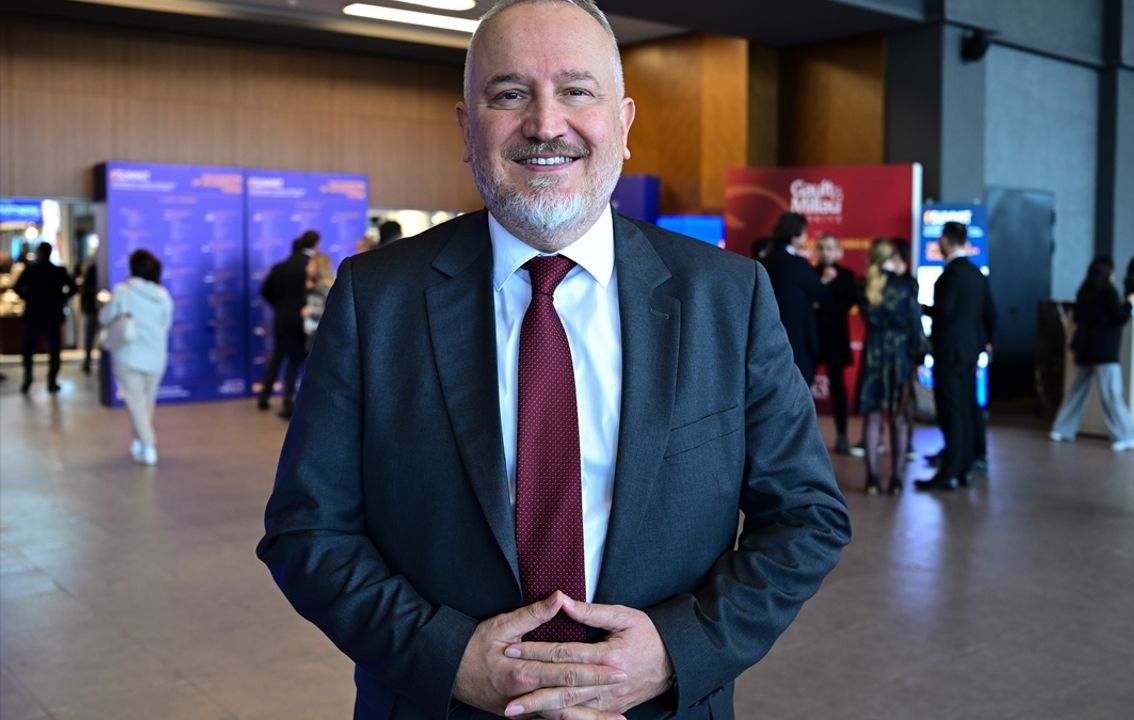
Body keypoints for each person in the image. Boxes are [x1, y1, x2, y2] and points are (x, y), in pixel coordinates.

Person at [256, 2, 851, 719]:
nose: (544, 123)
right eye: (510, 94)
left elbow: (807, 517)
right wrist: (445, 658)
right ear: (467, 127)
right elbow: (307, 529)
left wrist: (678, 649)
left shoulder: (728, 297)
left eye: (576, 90)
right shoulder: (375, 299)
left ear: (623, 124)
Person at [916, 222, 996, 492]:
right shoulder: (976, 274)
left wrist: (923, 308)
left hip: (949, 352)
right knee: (966, 408)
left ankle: (950, 471)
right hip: (970, 352)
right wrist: (987, 343)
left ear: (946, 240)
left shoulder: (949, 276)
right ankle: (964, 466)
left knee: (951, 411)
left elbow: (945, 312)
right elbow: (990, 313)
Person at [1047, 256, 1134, 451]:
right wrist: (1130, 304)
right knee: (1111, 394)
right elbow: (1120, 317)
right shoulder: (1109, 292)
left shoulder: (1084, 291)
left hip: (1085, 348)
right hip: (1105, 351)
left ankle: (1062, 429)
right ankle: (1125, 435)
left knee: (1076, 392)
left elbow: (1078, 316)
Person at [855, 239, 924, 495]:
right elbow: (915, 324)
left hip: (873, 354)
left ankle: (871, 479)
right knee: (899, 419)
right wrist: (919, 356)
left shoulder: (864, 285)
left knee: (872, 419)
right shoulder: (906, 285)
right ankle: (896, 480)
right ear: (892, 258)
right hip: (899, 355)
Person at [99, 249, 173, 466]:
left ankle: (148, 444)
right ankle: (139, 441)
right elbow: (167, 323)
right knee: (146, 403)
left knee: (135, 402)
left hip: (128, 354)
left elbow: (105, 318)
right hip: (156, 355)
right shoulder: (162, 294)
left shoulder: (123, 291)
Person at [762, 211, 832, 387]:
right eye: (805, 232)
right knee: (799, 390)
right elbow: (823, 295)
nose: (806, 237)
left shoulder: (763, 262)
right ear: (795, 235)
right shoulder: (798, 264)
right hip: (798, 340)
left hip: (767, 339)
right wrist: (824, 281)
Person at [257, 230, 318, 419]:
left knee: (277, 358)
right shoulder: (310, 266)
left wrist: (279, 306)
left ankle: (265, 396)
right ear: (315, 244)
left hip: (281, 320)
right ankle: (288, 401)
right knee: (295, 360)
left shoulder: (280, 267)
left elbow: (265, 291)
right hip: (301, 321)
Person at [814, 233, 860, 454]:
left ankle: (842, 435)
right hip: (813, 339)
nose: (825, 252)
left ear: (838, 251)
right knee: (801, 386)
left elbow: (845, 303)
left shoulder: (847, 276)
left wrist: (821, 301)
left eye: (830, 248)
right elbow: (807, 303)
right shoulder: (811, 273)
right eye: (822, 248)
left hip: (836, 339)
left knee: (838, 389)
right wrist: (823, 283)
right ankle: (804, 439)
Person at [13, 241, 76, 394]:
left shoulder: (31, 270)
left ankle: (29, 377)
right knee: (53, 350)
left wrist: (27, 298)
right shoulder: (57, 271)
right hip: (51, 315)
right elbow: (73, 288)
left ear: (40, 252)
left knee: (29, 349)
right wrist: (61, 299)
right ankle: (51, 381)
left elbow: (16, 287)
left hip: (34, 314)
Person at [301, 251, 334, 349]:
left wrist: (310, 312)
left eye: (310, 264)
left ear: (318, 267)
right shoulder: (327, 285)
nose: (307, 268)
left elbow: (326, 311)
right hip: (322, 334)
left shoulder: (322, 287)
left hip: (319, 334)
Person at [78, 254, 99, 373]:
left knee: (90, 336)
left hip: (93, 308)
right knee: (90, 337)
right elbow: (85, 289)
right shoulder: (93, 270)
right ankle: (87, 360)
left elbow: (84, 289)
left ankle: (88, 361)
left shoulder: (94, 269)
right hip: (92, 308)